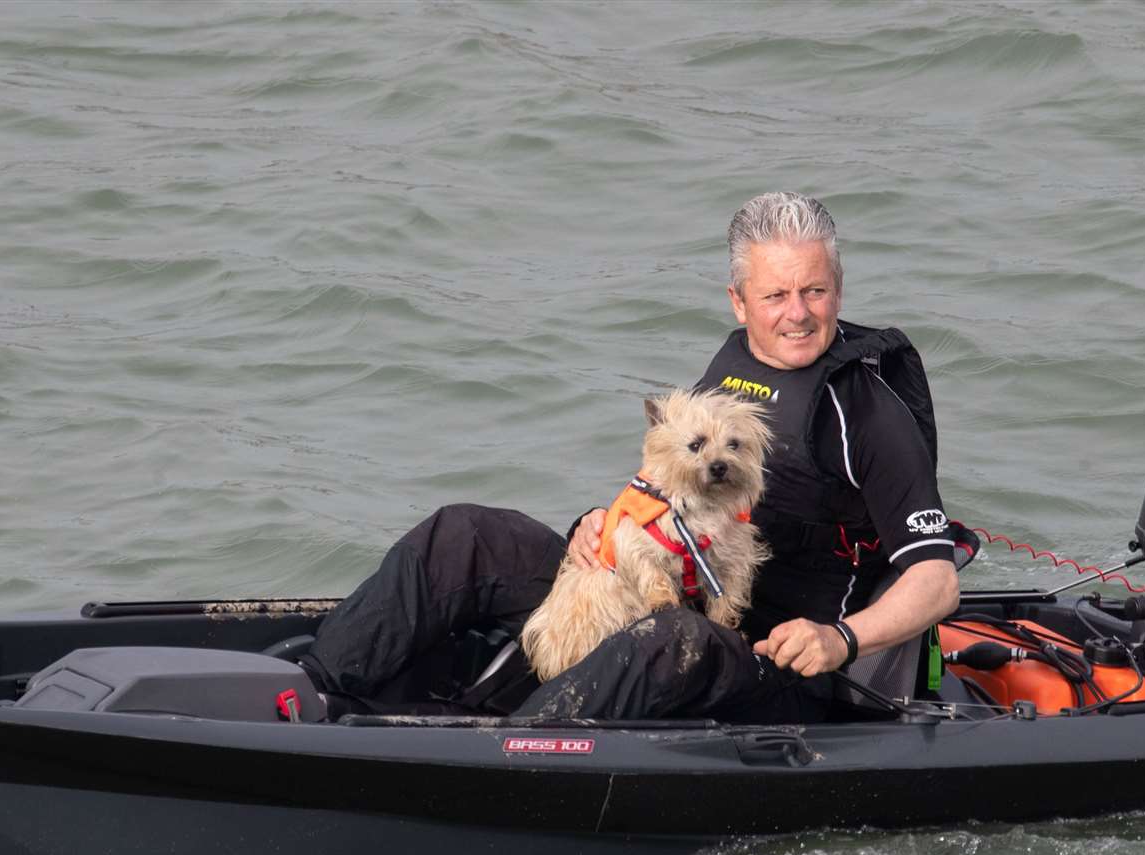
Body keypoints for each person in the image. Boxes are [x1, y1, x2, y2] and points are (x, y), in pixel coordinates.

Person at [299, 192, 963, 721]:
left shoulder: (868, 413)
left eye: (814, 291)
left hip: (773, 662)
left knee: (671, 638)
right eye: (776, 295)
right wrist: (602, 522)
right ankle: (308, 695)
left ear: (838, 291)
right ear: (739, 301)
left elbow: (937, 582)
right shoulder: (729, 369)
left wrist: (838, 642)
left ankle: (503, 753)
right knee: (466, 534)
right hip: (673, 593)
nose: (798, 313)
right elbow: (666, 493)